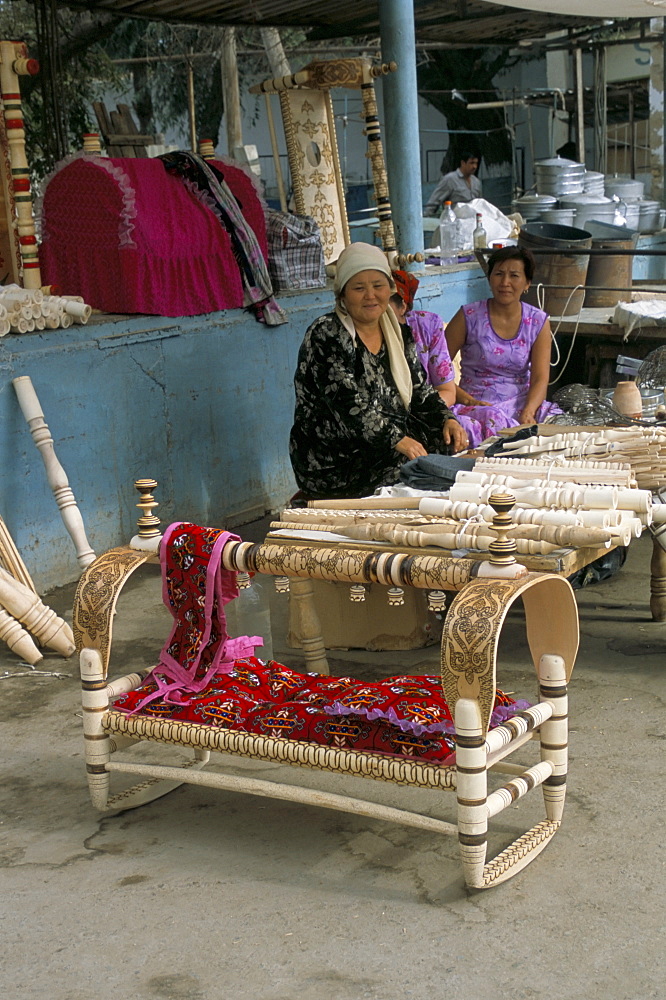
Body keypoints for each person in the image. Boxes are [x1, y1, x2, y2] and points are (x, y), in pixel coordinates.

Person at [289, 243, 468, 499]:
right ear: (342, 295)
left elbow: (421, 390)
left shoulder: (399, 332)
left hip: (388, 440)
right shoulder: (327, 333)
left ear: (390, 289)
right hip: (336, 454)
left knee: (445, 443)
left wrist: (446, 418)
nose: (370, 295)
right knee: (408, 470)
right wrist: (398, 440)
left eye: (378, 285)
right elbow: (348, 406)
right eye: (359, 288)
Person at [445, 245, 562, 448]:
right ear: (490, 278)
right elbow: (437, 369)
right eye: (499, 274)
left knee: (557, 422)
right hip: (476, 404)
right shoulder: (468, 316)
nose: (505, 282)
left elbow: (540, 378)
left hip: (521, 402)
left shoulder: (538, 321)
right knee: (483, 423)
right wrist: (467, 400)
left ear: (527, 283)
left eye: (514, 275)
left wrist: (529, 410)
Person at [423, 151, 482, 217]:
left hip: (473, 220)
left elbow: (479, 203)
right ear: (463, 163)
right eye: (471, 163)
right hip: (454, 220)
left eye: (476, 163)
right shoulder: (450, 179)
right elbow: (434, 201)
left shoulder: (476, 182)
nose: (474, 166)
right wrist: (426, 219)